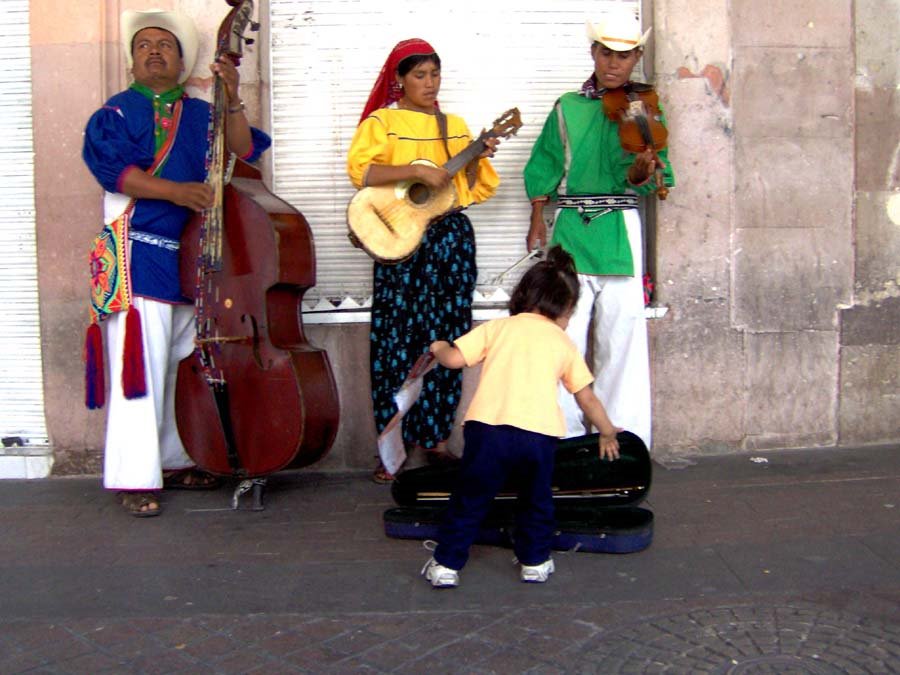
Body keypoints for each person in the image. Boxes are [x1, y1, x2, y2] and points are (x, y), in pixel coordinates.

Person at [82, 9, 271, 517]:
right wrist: (177, 192)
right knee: (139, 368)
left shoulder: (202, 112)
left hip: (196, 257)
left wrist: (231, 99)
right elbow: (115, 173)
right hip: (138, 250)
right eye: (144, 45)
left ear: (184, 61)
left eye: (165, 44)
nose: (154, 51)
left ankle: (170, 457)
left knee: (179, 364)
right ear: (131, 59)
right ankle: (133, 478)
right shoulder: (116, 114)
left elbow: (244, 150)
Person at [346, 38, 501, 483]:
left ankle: (435, 439)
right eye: (419, 75)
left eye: (435, 74)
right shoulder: (384, 122)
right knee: (395, 340)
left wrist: (476, 157)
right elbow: (363, 172)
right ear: (398, 79)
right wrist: (415, 171)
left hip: (450, 240)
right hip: (401, 243)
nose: (429, 83)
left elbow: (474, 189)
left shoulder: (455, 125)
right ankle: (391, 449)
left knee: (448, 340)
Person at [421, 245, 620, 588]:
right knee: (537, 500)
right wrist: (607, 432)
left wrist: (438, 346)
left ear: (522, 296)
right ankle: (535, 561)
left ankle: (446, 566)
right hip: (538, 437)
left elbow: (454, 359)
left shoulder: (498, 328)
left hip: (487, 431)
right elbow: (585, 397)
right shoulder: (562, 342)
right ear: (565, 310)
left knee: (470, 497)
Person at [523, 7, 675, 449]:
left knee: (622, 340)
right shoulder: (567, 106)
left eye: (624, 57)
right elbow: (546, 162)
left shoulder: (643, 107)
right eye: (606, 53)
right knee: (561, 338)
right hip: (570, 225)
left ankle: (623, 443)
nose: (614, 64)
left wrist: (644, 170)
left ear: (636, 59)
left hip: (619, 227)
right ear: (593, 52)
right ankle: (561, 439)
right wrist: (538, 214)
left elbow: (645, 177)